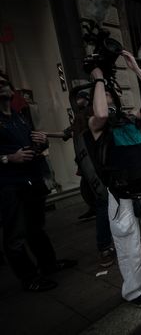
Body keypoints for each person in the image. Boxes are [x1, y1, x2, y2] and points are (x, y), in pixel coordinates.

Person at [88, 50, 141, 308]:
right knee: (128, 245)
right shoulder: (95, 125)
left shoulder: (132, 120)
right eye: (102, 96)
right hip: (121, 195)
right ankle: (135, 289)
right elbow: (102, 114)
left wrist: (136, 68)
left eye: (109, 94)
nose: (108, 99)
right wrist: (98, 78)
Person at [0, 71, 77, 292]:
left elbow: (34, 146)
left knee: (36, 228)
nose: (2, 87)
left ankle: (49, 265)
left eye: (4, 83)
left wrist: (42, 142)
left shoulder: (18, 117)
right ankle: (29, 277)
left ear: (11, 89)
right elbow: (9, 154)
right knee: (15, 234)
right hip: (9, 183)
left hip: (31, 180)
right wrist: (8, 158)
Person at [45, 91, 115, 268]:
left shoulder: (92, 116)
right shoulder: (87, 118)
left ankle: (109, 245)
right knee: (103, 206)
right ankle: (105, 247)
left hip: (103, 168)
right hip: (99, 169)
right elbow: (66, 134)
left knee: (108, 206)